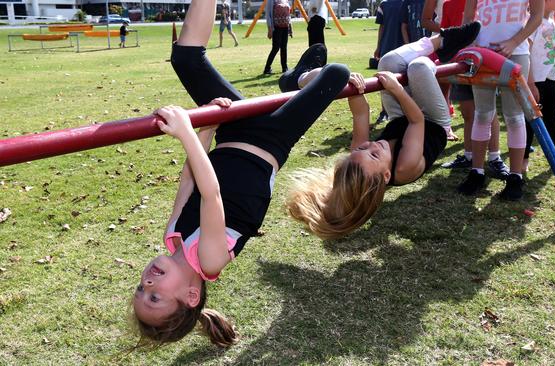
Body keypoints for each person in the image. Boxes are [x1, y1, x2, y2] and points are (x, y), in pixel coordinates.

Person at [131, 0, 351, 347]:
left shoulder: (172, 237)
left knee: (185, 58)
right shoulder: (211, 260)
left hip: (232, 131)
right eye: (155, 297)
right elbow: (212, 195)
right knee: (336, 74)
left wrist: (206, 126)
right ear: (191, 296)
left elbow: (189, 182)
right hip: (272, 140)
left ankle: (294, 78)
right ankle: (297, 79)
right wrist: (187, 133)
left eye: (140, 290)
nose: (147, 284)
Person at [287, 22, 481, 239]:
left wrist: (354, 90)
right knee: (418, 68)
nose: (371, 144)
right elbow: (417, 121)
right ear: (387, 174)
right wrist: (396, 89)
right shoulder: (404, 167)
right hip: (432, 121)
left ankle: (443, 40)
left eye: (363, 147)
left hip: (400, 118)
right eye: (374, 153)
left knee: (387, 62)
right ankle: (443, 54)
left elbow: (361, 114)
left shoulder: (361, 157)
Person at [457, 0, 543, 201]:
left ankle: (515, 177)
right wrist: (470, 45)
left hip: (517, 53)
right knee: (482, 114)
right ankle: (476, 172)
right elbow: (468, 16)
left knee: (514, 117)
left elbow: (537, 15)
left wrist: (513, 42)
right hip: (482, 55)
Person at [439, 0, 509, 180]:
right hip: (463, 58)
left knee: (488, 111)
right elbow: (446, 30)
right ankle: (469, 155)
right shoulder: (448, 5)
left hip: (483, 55)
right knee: (469, 112)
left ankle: (494, 157)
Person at [524, 0, 555, 174]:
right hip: (533, 82)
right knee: (529, 123)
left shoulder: (553, 21)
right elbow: (526, 54)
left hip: (550, 80)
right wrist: (530, 83)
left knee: (553, 122)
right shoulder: (531, 22)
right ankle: (523, 161)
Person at [264, 0, 293, 74]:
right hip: (276, 28)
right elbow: (268, 15)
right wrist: (270, 28)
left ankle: (284, 68)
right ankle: (267, 68)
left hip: (285, 27)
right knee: (275, 48)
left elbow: (288, 13)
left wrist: (290, 27)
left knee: (284, 48)